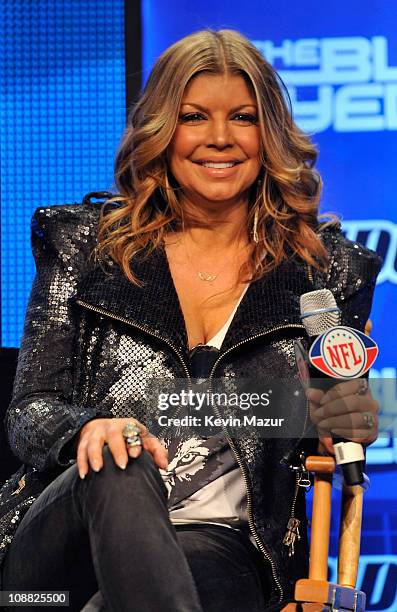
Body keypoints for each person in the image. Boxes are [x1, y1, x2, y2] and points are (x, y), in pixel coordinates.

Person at [0, 29, 381, 612]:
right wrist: (88, 429)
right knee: (119, 460)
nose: (220, 138)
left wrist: (344, 417)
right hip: (57, 559)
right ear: (162, 130)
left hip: (223, 544)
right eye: (194, 116)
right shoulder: (85, 247)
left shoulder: (323, 273)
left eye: (244, 118)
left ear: (269, 134)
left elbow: (325, 425)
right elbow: (29, 412)